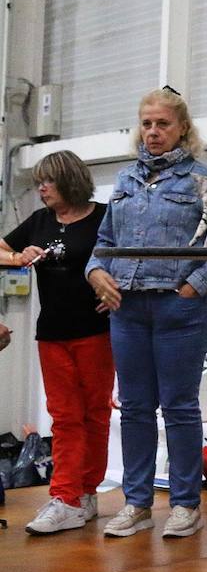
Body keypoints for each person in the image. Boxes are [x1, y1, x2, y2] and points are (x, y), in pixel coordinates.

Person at [85, 87, 207, 538]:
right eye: (146, 123)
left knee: (180, 407)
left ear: (182, 128)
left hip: (180, 308)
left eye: (162, 124)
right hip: (127, 309)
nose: (153, 132)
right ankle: (136, 503)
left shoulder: (205, 181)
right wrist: (95, 272)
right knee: (133, 409)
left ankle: (186, 504)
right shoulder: (125, 181)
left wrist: (194, 287)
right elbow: (104, 243)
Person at [2, 151, 113, 534]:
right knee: (65, 417)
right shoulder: (39, 221)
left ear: (69, 180)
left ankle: (85, 492)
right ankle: (65, 496)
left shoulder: (103, 217)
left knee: (95, 414)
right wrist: (18, 256)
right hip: (52, 333)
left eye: (47, 181)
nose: (41, 189)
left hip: (96, 333)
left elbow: (127, 262)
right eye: (38, 182)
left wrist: (116, 292)